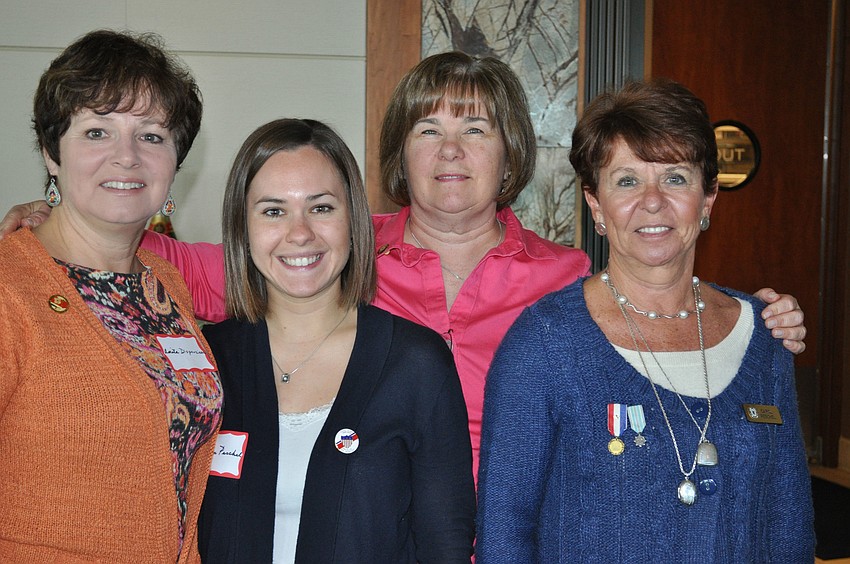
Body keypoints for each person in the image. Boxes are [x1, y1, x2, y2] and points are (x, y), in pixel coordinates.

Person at [0, 52, 808, 481]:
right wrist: (54, 217)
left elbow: (664, 299)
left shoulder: (566, 277)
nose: (451, 151)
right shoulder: (324, 247)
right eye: (427, 130)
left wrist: (755, 311)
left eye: (476, 129)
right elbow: (169, 259)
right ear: (399, 151)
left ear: (511, 152)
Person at [475, 79, 814, 562]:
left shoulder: (766, 335)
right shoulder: (545, 344)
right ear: (596, 204)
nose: (652, 201)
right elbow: (504, 535)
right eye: (628, 180)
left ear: (708, 198)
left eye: (675, 177)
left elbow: (789, 523)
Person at [196, 118, 475, 563]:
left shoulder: (416, 364)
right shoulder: (208, 361)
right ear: (241, 230)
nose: (300, 232)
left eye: (321, 208)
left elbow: (447, 545)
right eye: (272, 211)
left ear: (353, 221)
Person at [0, 30, 222, 562]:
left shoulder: (164, 285)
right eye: (97, 131)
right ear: (53, 154)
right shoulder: (10, 292)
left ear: (174, 161)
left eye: (151, 136)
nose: (126, 157)